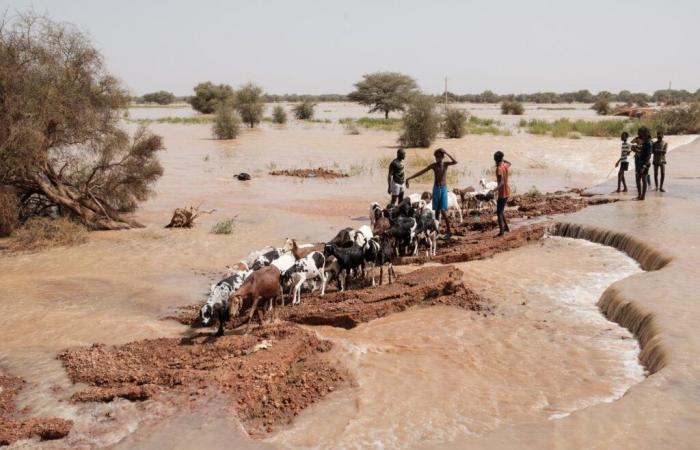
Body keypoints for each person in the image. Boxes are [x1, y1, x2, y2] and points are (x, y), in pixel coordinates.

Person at [405, 148, 458, 238]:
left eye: (439, 157)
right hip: (436, 189)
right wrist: (409, 178)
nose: (438, 159)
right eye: (436, 157)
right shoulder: (434, 165)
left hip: (443, 189)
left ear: (442, 157)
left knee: (443, 211)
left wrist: (447, 152)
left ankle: (449, 231)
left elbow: (455, 161)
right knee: (437, 211)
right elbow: (422, 171)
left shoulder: (445, 164)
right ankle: (436, 231)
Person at [493, 151, 511, 236]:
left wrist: (493, 190)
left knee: (499, 212)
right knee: (501, 211)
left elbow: (501, 183)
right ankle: (506, 227)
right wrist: (503, 159)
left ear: (495, 159)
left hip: (502, 193)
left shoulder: (499, 169)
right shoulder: (505, 165)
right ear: (502, 158)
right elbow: (509, 163)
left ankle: (501, 232)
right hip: (507, 191)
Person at [634, 127, 653, 201]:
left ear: (646, 134)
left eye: (641, 133)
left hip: (644, 164)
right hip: (640, 162)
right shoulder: (645, 142)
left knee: (643, 180)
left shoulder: (649, 143)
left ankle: (642, 197)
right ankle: (639, 195)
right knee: (638, 179)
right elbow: (642, 152)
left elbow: (649, 156)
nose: (640, 135)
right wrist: (636, 150)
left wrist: (644, 166)